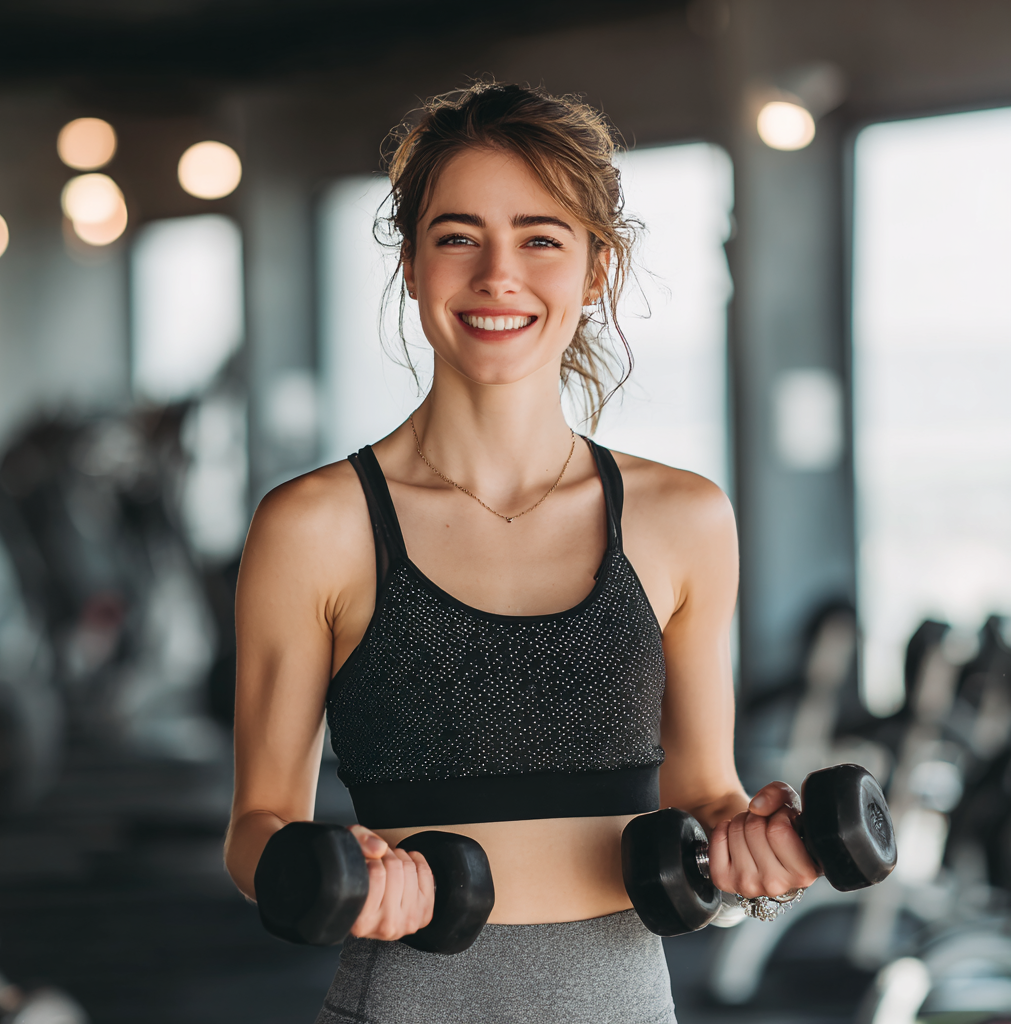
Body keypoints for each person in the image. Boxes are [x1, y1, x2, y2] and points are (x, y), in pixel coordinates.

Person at [224, 82, 820, 1023]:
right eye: (458, 235)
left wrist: (760, 854)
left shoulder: (685, 517)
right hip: (406, 997)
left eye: (542, 238)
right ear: (413, 265)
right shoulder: (315, 524)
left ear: (596, 269)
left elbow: (706, 793)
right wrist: (349, 871)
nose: (498, 274)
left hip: (623, 997)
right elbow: (257, 829)